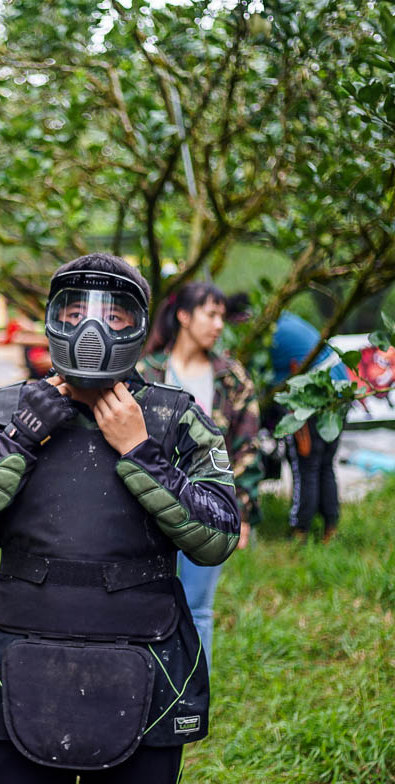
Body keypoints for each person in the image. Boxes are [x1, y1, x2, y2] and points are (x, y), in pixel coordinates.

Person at [0, 254, 240, 783]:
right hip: (21, 658)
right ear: (52, 321)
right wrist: (21, 437)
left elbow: (217, 538)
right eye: (74, 314)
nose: (90, 328)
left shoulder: (175, 416)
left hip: (147, 660)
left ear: (139, 326)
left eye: (113, 316)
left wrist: (140, 451)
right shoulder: (6, 413)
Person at [137, 282, 261, 669]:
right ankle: (146, 686)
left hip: (208, 507)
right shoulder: (147, 372)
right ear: (184, 316)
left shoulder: (232, 379)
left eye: (222, 316)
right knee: (147, 601)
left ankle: (190, 698)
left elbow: (247, 449)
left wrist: (240, 512)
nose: (219, 324)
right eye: (211, 314)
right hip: (149, 505)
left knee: (198, 608)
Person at [267, 309, 350, 543]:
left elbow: (267, 378)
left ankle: (300, 531)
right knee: (325, 464)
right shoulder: (291, 321)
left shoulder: (271, 335)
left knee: (306, 466)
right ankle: (329, 529)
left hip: (314, 398)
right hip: (341, 393)